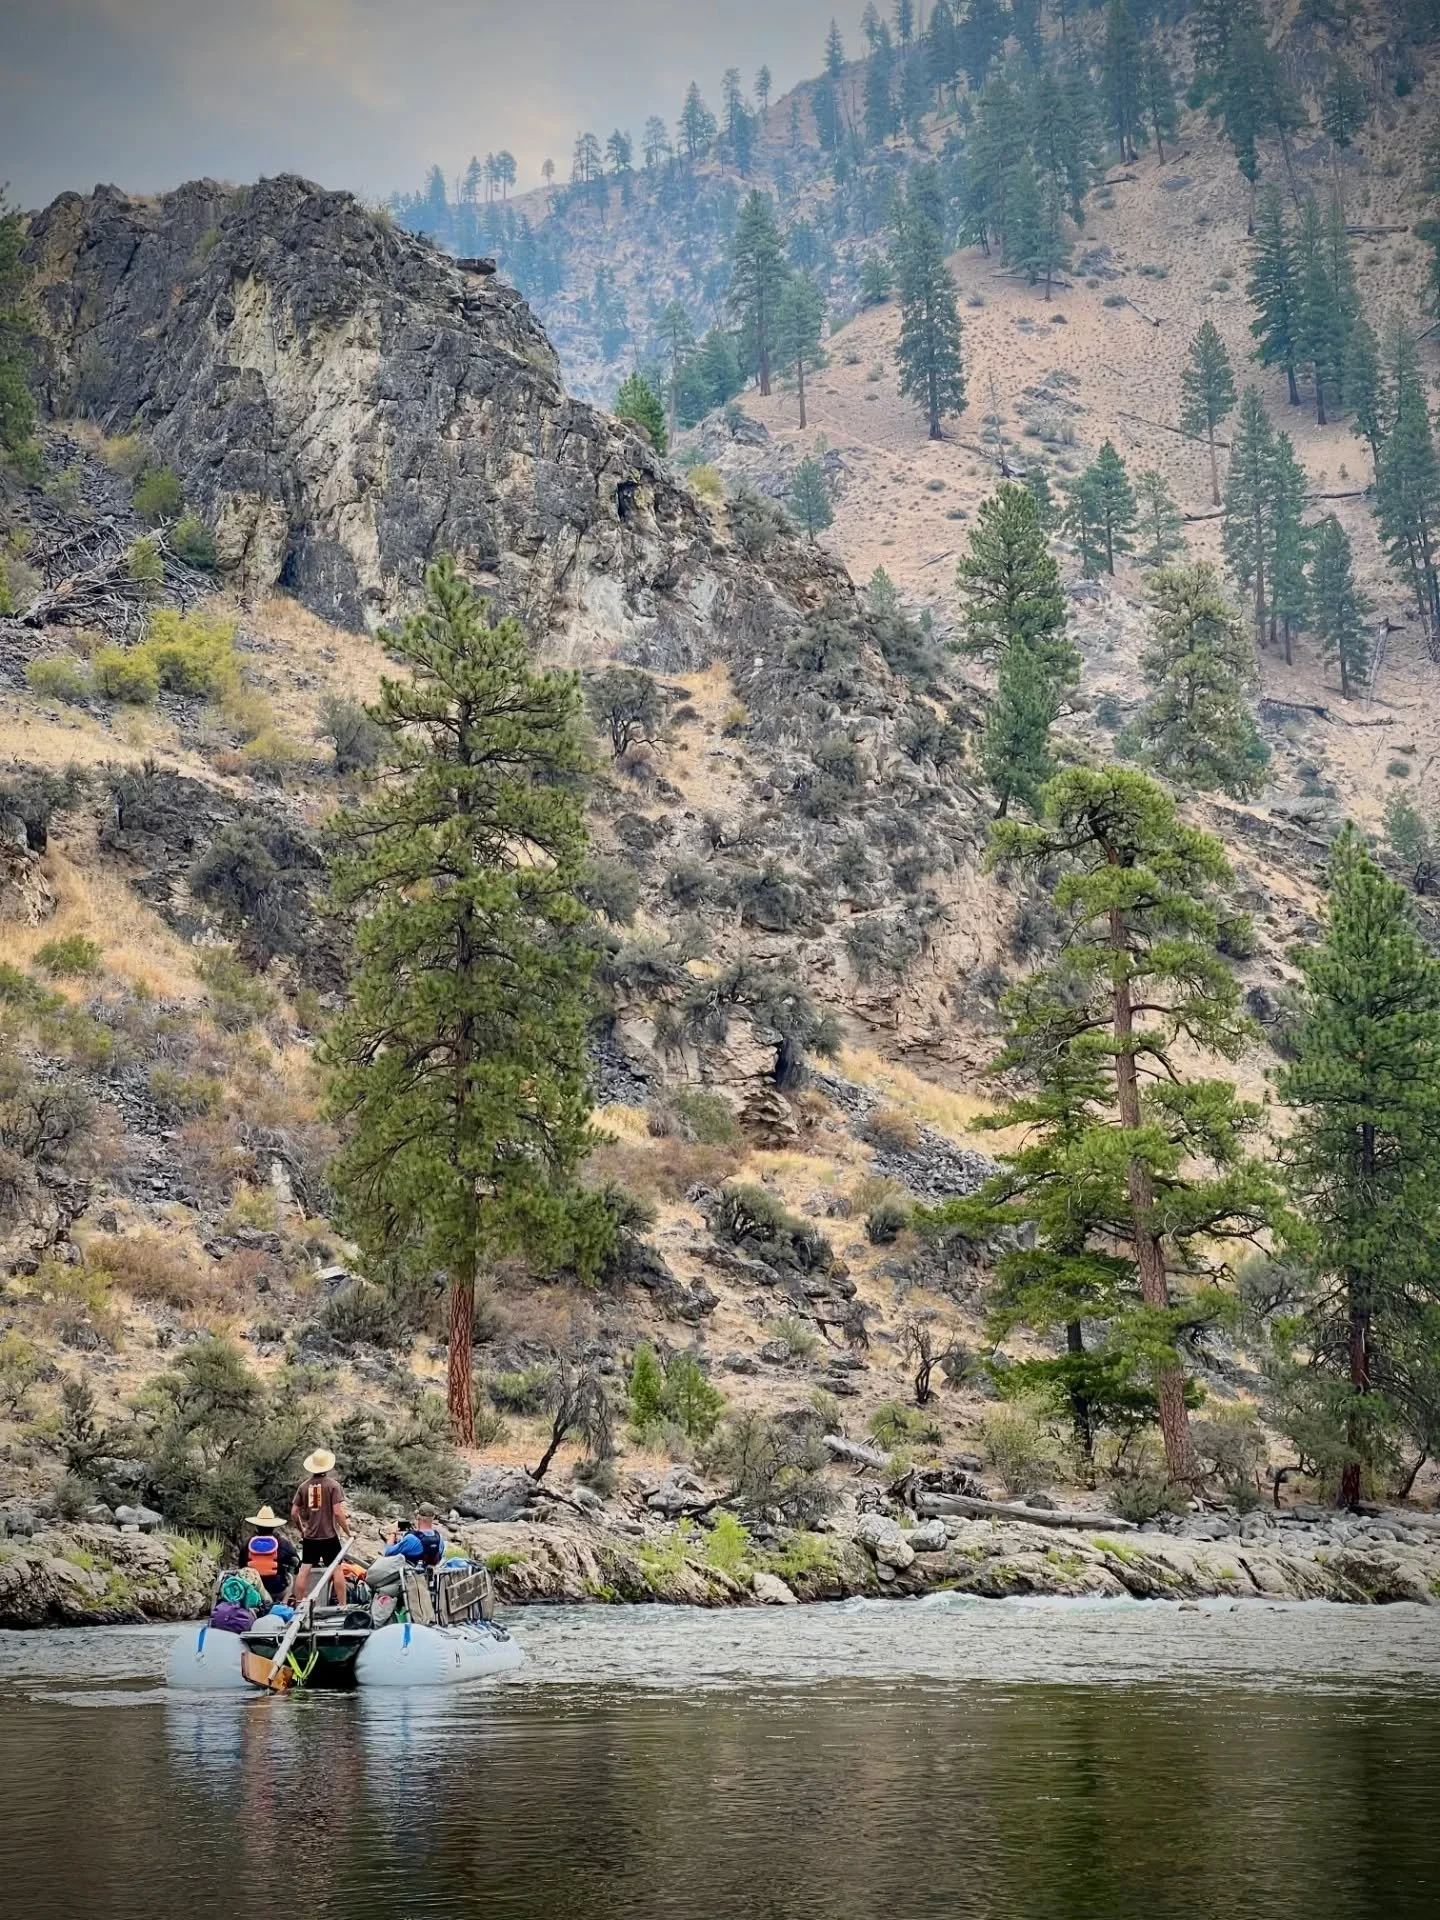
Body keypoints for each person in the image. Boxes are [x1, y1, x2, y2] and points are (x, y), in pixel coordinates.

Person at [290, 1448, 350, 1608]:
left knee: (304, 1570)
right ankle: (342, 1605)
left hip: (310, 1536)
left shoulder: (303, 1487)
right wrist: (348, 1531)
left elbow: (294, 1513)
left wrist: (302, 1529)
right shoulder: (333, 1486)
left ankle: (298, 1605)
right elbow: (338, 1512)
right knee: (336, 1569)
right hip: (330, 1536)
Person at [242, 1505, 300, 1606]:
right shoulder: (281, 1543)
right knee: (291, 1578)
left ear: (257, 1526)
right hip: (277, 1589)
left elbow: (241, 1565)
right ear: (273, 1527)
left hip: (253, 1588)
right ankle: (284, 1604)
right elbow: (296, 1560)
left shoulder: (247, 1543)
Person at [382, 1504, 446, 1570]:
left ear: (418, 1517)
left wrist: (392, 1533)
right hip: (430, 1573)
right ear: (433, 1517)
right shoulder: (439, 1538)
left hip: (411, 1574)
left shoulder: (411, 1538)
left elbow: (388, 1552)